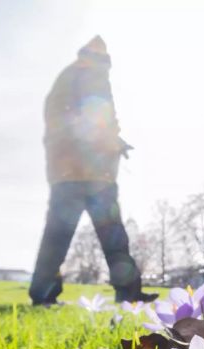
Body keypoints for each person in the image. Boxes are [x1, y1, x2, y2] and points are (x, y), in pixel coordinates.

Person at [29, 36, 156, 305]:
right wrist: (107, 140)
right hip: (75, 173)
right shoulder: (81, 76)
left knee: (111, 238)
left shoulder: (87, 77)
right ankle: (43, 294)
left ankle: (128, 293)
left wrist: (115, 142)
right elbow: (86, 121)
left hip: (94, 175)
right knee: (62, 236)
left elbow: (103, 123)